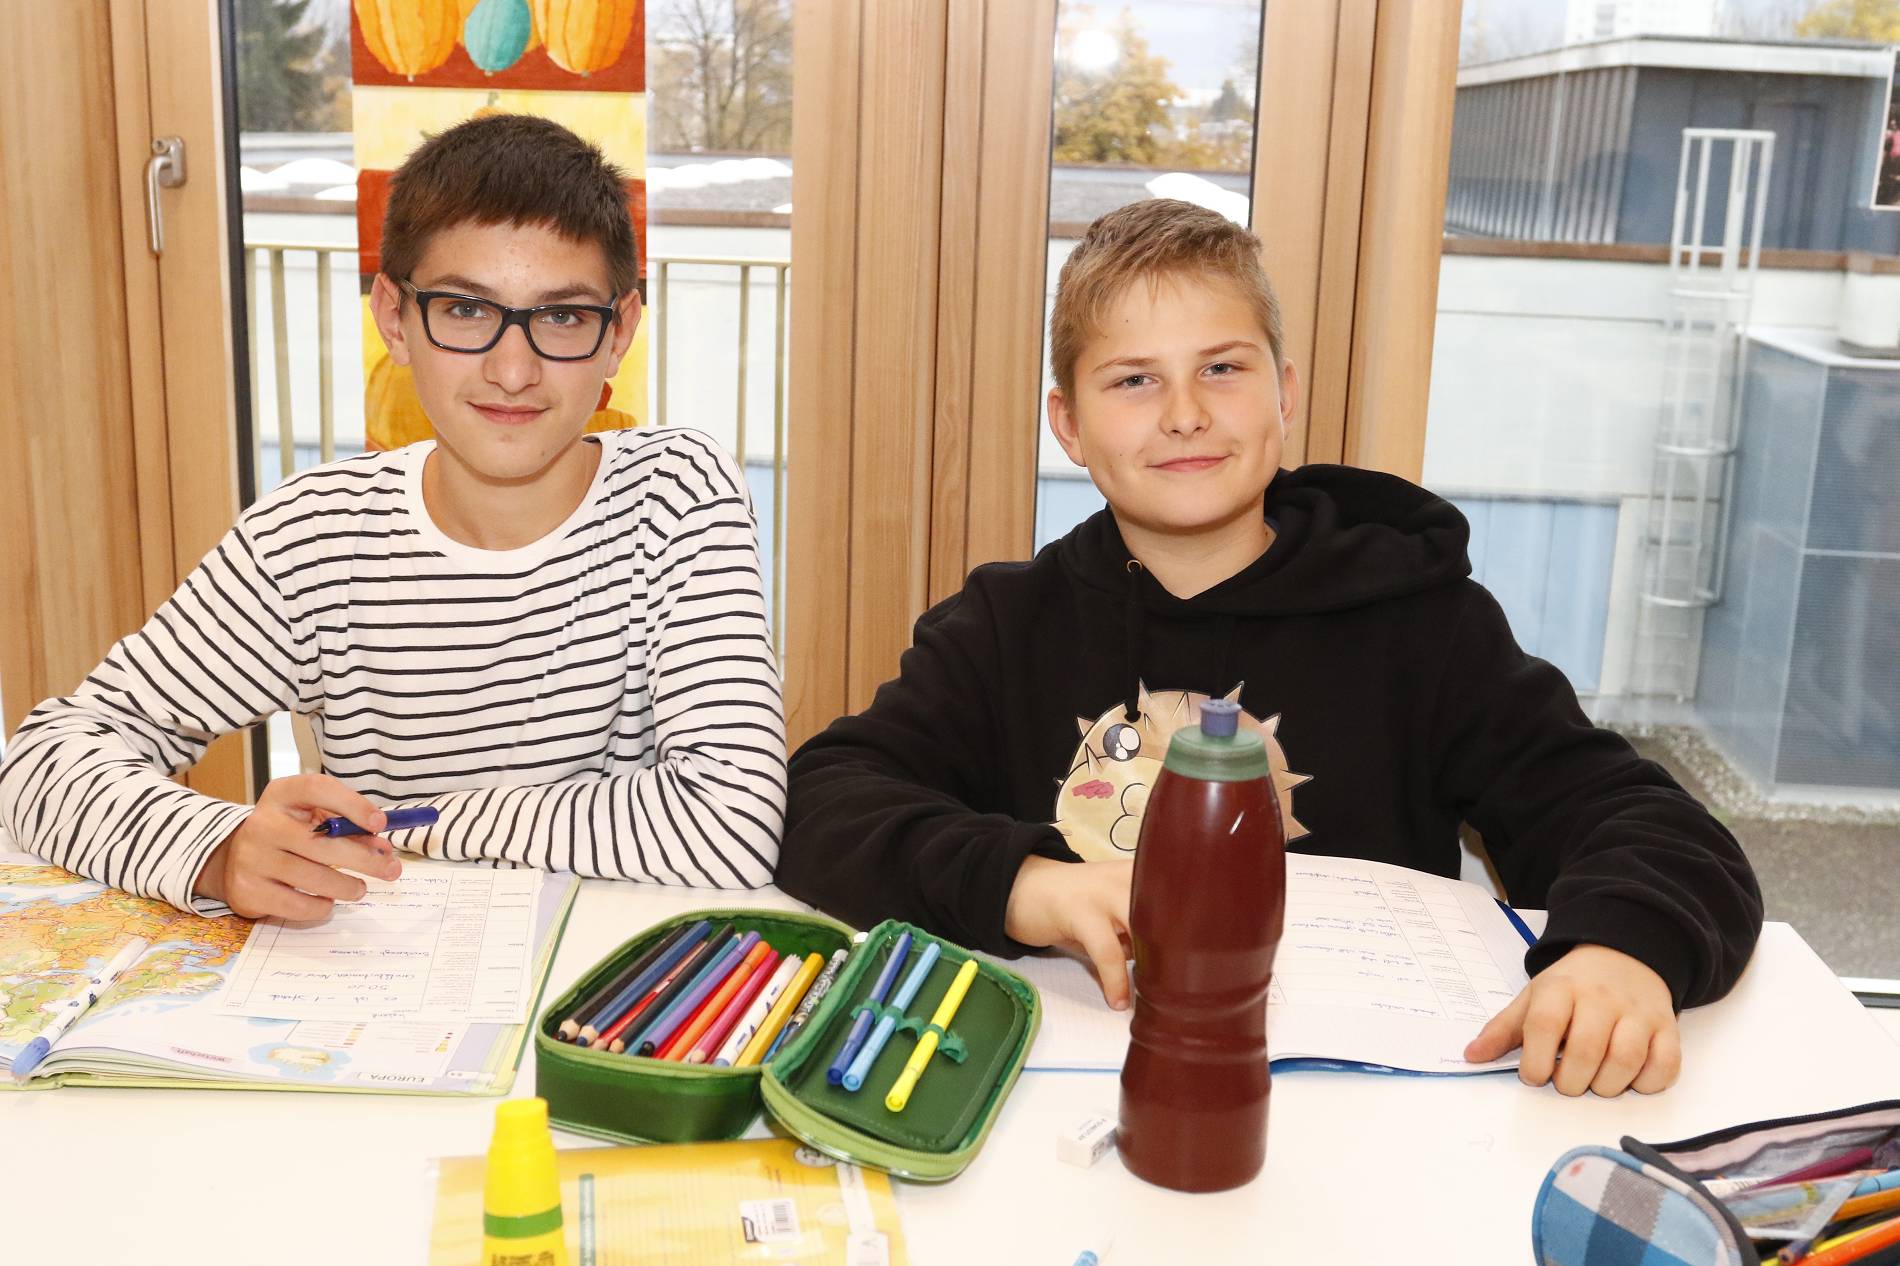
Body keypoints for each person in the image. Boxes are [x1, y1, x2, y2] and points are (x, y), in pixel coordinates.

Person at [776, 198, 1761, 1098]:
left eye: (1222, 368)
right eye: (1134, 380)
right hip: (1064, 1099)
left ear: (1283, 393)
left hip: (1369, 1106)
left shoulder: (1423, 625)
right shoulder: (1005, 624)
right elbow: (826, 799)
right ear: (1068, 425)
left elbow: (1641, 820)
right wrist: (1021, 882)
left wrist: (1623, 949)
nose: (1185, 414)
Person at [0, 114, 784, 920]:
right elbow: (42, 762)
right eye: (466, 310)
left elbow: (732, 820)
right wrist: (221, 851)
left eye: (561, 318)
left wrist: (421, 824)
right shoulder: (312, 538)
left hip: (630, 977)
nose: (513, 370)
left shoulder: (678, 493)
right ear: (393, 318)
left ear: (618, 333)